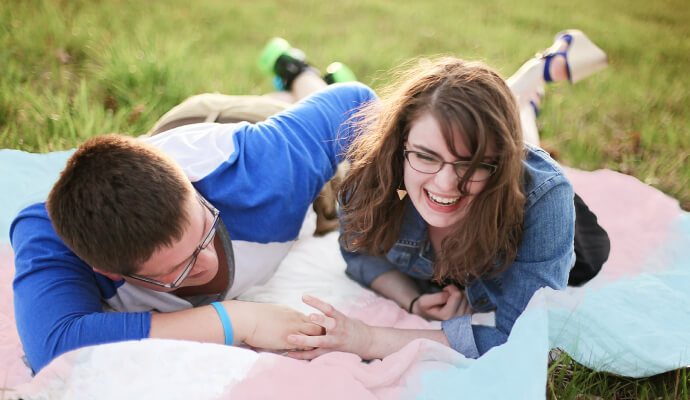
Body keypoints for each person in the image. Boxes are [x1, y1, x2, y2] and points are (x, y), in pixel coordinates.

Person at [10, 61, 377, 373]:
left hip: (218, 120)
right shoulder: (53, 232)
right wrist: (236, 320)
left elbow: (358, 103)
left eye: (205, 230)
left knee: (333, 168)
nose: (208, 259)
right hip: (133, 162)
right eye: (178, 269)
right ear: (109, 271)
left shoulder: (257, 164)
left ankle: (299, 71)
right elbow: (54, 349)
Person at [283, 30, 609, 360]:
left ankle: (534, 79)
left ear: (499, 163)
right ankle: (527, 91)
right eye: (426, 156)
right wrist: (411, 299)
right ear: (401, 147)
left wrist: (369, 339)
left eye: (472, 164)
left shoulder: (540, 198)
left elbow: (521, 338)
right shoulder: (379, 178)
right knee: (464, 130)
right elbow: (359, 251)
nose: (446, 183)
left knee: (506, 138)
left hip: (521, 198)